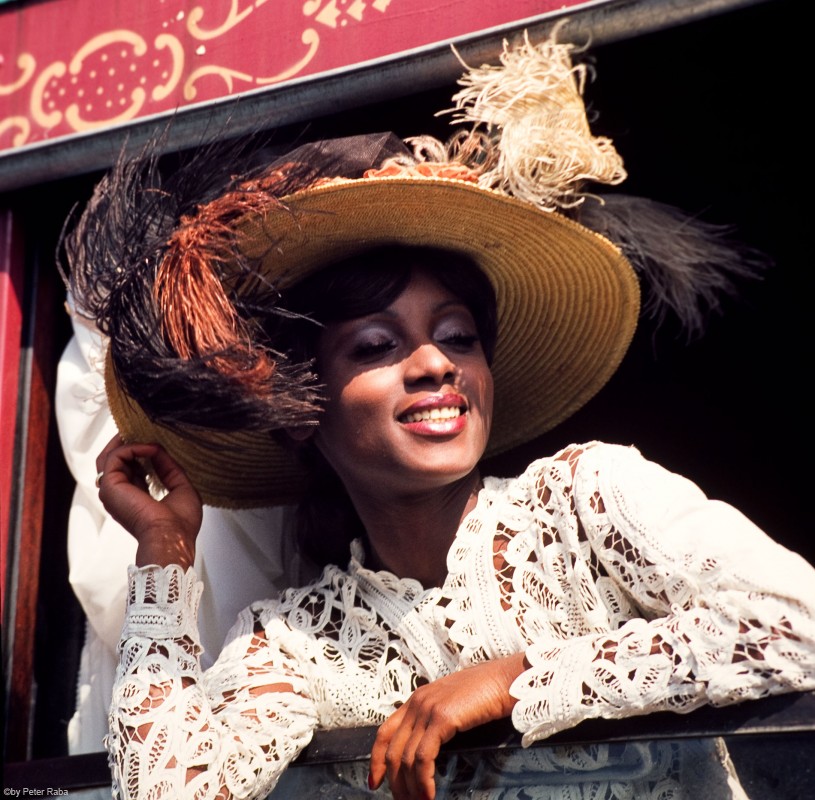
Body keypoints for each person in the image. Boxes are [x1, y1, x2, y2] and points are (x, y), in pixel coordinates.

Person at [60, 32, 815, 800]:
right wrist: (163, 551)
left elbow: (799, 623)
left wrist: (514, 680)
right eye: (376, 346)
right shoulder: (297, 638)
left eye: (457, 337)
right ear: (298, 409)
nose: (434, 364)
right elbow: (169, 791)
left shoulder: (589, 499)